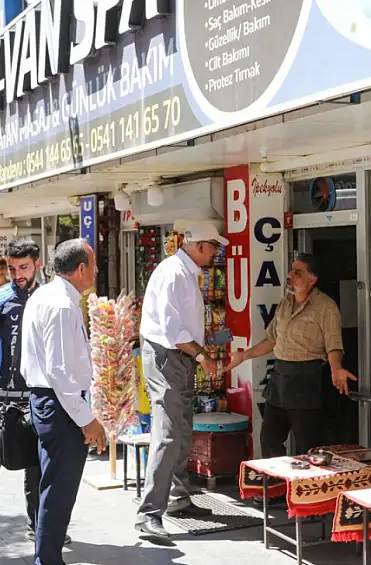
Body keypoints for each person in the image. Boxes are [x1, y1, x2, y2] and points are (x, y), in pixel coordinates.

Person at [0, 239, 68, 564]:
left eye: (23, 267)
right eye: (12, 268)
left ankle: (41, 529)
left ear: (37, 264)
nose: (17, 274)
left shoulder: (50, 299)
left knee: (38, 470)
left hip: (38, 399)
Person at [134, 223, 229, 539]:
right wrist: (204, 357)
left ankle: (177, 498)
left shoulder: (183, 272)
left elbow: (182, 325)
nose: (216, 254)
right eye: (214, 247)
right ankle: (149, 514)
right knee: (168, 432)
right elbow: (175, 332)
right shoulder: (176, 273)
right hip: (168, 356)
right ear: (201, 246)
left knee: (181, 429)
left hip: (175, 357)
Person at [21, 239, 104, 565]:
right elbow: (59, 372)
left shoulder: (47, 296)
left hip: (54, 401)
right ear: (81, 269)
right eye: (93, 265)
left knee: (54, 486)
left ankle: (48, 555)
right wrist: (87, 419)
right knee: (58, 488)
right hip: (59, 404)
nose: (96, 271)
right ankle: (48, 559)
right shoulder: (60, 304)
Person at [230, 253, 353, 457]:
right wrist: (244, 356)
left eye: (297, 272)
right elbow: (271, 339)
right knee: (269, 438)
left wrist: (336, 368)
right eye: (291, 270)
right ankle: (278, 484)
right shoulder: (285, 303)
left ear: (312, 279)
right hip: (280, 377)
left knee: (307, 443)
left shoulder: (326, 307)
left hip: (307, 378)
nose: (290, 275)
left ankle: (304, 486)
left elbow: (334, 344)